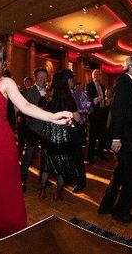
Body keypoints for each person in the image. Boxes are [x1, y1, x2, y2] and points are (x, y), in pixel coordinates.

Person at [0, 40, 73, 242]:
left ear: (3, 63)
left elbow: (26, 106)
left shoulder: (5, 83)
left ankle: (9, 232)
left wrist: (52, 117)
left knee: (3, 190)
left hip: (1, 144)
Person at [97, 56, 132, 224]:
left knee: (120, 174)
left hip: (126, 138)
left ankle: (106, 206)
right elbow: (117, 112)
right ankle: (120, 212)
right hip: (126, 140)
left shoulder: (126, 83)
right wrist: (116, 138)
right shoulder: (125, 83)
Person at [39, 71, 80, 200]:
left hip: (48, 135)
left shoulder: (47, 97)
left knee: (46, 165)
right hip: (63, 136)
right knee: (63, 166)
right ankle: (57, 193)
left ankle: (42, 190)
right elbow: (77, 118)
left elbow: (38, 111)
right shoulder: (69, 98)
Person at [20, 67, 48, 191]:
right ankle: (22, 180)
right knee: (29, 155)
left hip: (47, 128)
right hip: (33, 128)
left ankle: (43, 179)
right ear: (35, 78)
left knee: (46, 155)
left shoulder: (50, 92)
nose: (43, 79)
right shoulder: (28, 91)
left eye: (45, 77)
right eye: (40, 77)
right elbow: (22, 109)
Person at [62, 70, 90, 193]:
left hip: (77, 127)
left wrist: (77, 111)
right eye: (69, 79)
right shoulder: (62, 93)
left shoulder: (79, 92)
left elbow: (88, 106)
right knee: (68, 154)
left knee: (78, 155)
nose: (71, 81)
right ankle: (70, 177)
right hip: (65, 127)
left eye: (71, 79)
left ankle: (81, 181)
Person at [86, 69, 108, 162]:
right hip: (94, 114)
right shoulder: (89, 86)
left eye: (98, 74)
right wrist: (95, 100)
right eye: (95, 74)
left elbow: (103, 98)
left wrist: (105, 102)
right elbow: (87, 100)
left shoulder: (102, 86)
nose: (96, 75)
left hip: (102, 113)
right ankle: (90, 156)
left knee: (102, 136)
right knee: (93, 136)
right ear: (92, 76)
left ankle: (100, 153)